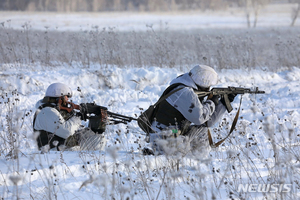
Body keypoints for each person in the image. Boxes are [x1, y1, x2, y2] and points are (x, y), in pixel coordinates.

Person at [144, 65, 236, 156]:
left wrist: (223, 103)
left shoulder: (181, 87)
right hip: (167, 135)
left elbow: (207, 122)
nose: (209, 87)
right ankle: (198, 160)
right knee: (202, 131)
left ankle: (193, 158)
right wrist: (211, 102)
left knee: (202, 129)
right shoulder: (186, 93)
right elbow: (200, 118)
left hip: (166, 133)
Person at [33, 83, 106, 152]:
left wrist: (96, 125)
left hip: (63, 148)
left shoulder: (54, 111)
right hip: (53, 154)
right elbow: (67, 131)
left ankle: (94, 163)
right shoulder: (46, 111)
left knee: (98, 138)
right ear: (59, 98)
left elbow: (73, 132)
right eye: (66, 96)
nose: (68, 99)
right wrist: (78, 117)